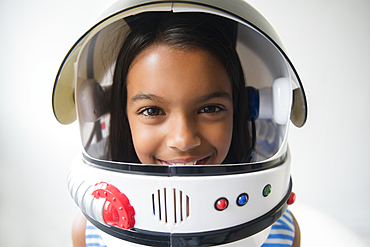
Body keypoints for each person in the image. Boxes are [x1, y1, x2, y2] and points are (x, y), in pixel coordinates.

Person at [69, 12, 301, 247]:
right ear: (123, 115)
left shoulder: (279, 234)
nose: (183, 140)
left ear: (239, 111)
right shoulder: (91, 234)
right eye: (152, 111)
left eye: (210, 108)